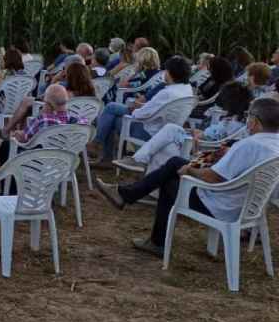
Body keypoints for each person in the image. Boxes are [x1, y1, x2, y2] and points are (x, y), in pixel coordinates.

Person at [96, 96, 279, 257]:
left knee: (171, 177)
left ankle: (151, 234)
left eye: (248, 117)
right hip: (247, 207)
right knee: (175, 163)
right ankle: (126, 196)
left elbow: (213, 177)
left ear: (255, 122)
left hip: (219, 206)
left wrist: (189, 170)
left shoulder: (250, 145)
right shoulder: (274, 144)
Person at [118, 82, 254, 174]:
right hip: (199, 143)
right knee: (167, 143)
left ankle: (139, 160)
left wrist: (198, 136)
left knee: (171, 129)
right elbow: (217, 137)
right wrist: (197, 133)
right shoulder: (237, 120)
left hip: (199, 150)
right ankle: (150, 182)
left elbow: (216, 143)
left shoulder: (234, 124)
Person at [96, 55, 193, 162]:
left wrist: (134, 109)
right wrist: (140, 108)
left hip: (149, 132)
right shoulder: (187, 89)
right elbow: (158, 109)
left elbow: (140, 115)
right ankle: (102, 148)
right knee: (112, 108)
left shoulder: (167, 93)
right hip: (167, 130)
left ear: (171, 73)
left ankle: (100, 147)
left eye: (166, 70)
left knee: (112, 114)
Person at [0, 84, 85, 165]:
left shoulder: (44, 120)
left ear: (47, 104)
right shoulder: (77, 122)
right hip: (63, 164)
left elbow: (24, 138)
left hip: (38, 163)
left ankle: (11, 181)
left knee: (5, 146)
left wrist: (16, 134)